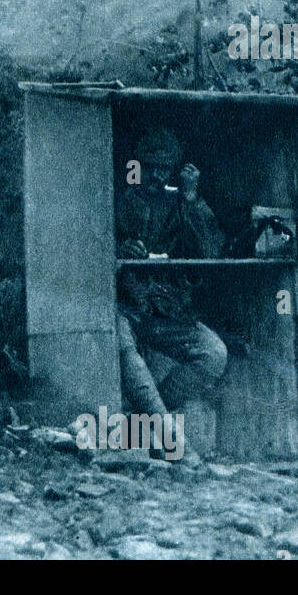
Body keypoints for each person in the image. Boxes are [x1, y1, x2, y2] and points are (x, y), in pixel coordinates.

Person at [115, 128, 228, 455]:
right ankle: (171, 441)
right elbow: (94, 246)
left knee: (214, 353)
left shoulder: (182, 203)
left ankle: (144, 419)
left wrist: (193, 201)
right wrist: (121, 248)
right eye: (149, 166)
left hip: (167, 310)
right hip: (126, 307)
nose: (155, 175)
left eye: (163, 168)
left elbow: (209, 253)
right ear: (136, 165)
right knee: (122, 341)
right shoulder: (121, 198)